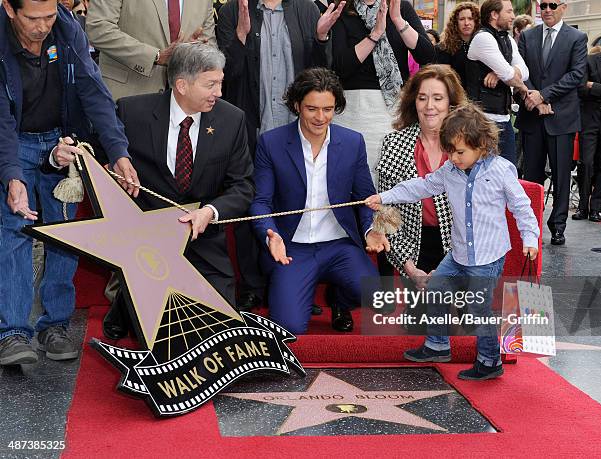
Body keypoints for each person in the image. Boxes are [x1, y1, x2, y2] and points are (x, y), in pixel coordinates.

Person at [0, 0, 139, 366]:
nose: (43, 26)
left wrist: (118, 151)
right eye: (33, 18)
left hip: (62, 141)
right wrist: (12, 176)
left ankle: (55, 325)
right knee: (14, 230)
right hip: (14, 139)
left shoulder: (66, 26)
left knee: (64, 233)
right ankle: (12, 332)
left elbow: (94, 91)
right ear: (8, 8)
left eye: (49, 15)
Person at [365, 103, 539, 380]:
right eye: (450, 152)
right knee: (435, 288)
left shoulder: (501, 170)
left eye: (460, 152)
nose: (454, 158)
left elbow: (521, 206)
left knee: (478, 309)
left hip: (487, 256)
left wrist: (530, 237)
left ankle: (490, 361)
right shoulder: (449, 171)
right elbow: (420, 186)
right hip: (458, 253)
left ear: (482, 145)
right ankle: (437, 344)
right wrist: (385, 197)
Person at [104, 43, 254, 340]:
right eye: (211, 84)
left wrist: (210, 212)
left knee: (222, 330)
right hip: (148, 242)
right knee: (157, 334)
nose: (219, 93)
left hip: (204, 238)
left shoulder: (232, 119)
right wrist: (113, 172)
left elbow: (243, 185)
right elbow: (98, 159)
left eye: (220, 83)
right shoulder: (132, 112)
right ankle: (125, 304)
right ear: (182, 84)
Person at [216, 0, 343, 311]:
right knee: (251, 204)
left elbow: (324, 74)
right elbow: (225, 77)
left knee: (296, 203)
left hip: (296, 133)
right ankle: (252, 285)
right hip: (250, 129)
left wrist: (322, 38)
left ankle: (296, 279)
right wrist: (242, 37)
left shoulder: (307, 10)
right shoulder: (234, 10)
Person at [249, 67, 390, 335]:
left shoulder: (352, 142)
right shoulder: (271, 143)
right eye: (312, 109)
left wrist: (371, 229)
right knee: (289, 327)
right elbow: (260, 201)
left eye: (328, 109)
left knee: (377, 298)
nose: (321, 117)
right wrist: (270, 234)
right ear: (296, 105)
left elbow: (365, 197)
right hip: (293, 247)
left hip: (338, 244)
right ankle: (300, 288)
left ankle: (340, 300)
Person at [377, 65, 466, 290]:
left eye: (438, 98)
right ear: (413, 102)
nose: (429, 106)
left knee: (458, 320)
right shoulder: (394, 144)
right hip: (413, 248)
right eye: (422, 98)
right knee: (423, 323)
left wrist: (449, 267)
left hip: (460, 247)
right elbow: (387, 217)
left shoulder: (468, 145)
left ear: (451, 103)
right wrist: (410, 268)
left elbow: (480, 216)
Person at [329, 0, 435, 186]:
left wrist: (397, 20)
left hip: (392, 109)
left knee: (392, 178)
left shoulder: (399, 7)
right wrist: (375, 34)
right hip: (354, 109)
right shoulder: (343, 8)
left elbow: (426, 54)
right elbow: (340, 66)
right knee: (354, 178)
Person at [516, 0, 587, 245]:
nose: (547, 9)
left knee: (561, 176)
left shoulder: (577, 37)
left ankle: (558, 226)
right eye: (543, 4)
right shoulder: (527, 37)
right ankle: (530, 226)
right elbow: (520, 72)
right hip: (532, 117)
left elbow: (577, 75)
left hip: (562, 118)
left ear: (563, 7)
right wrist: (532, 97)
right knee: (531, 175)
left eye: (552, 4)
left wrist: (544, 95)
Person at [86, 0, 216, 101]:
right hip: (127, 96)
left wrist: (194, 52)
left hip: (184, 102)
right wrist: (156, 56)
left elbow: (209, 45)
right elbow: (98, 28)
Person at [466, 0, 529, 165]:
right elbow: (511, 76)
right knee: (482, 177)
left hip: (503, 118)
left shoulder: (507, 39)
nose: (513, 16)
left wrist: (499, 73)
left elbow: (525, 72)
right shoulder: (483, 38)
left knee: (508, 175)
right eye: (508, 12)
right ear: (494, 14)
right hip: (481, 120)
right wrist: (509, 76)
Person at [574, 26, 601, 223]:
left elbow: (592, 87)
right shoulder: (590, 60)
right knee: (586, 163)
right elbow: (580, 87)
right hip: (588, 121)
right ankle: (583, 207)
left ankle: (596, 207)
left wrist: (594, 86)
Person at [435, 1, 480, 89]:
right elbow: (445, 78)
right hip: (457, 96)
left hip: (481, 96)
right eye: (462, 19)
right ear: (455, 22)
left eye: (470, 18)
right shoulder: (444, 47)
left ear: (476, 21)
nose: (466, 23)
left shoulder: (484, 44)